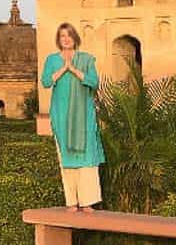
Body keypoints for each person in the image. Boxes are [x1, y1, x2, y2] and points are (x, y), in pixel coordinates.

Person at [40, 22, 104, 212]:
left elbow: (94, 82)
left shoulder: (85, 59)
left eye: (69, 35)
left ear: (75, 38)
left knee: (87, 159)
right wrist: (63, 69)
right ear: (58, 40)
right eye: (62, 36)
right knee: (66, 159)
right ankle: (71, 202)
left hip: (83, 115)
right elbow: (45, 81)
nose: (66, 39)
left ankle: (88, 202)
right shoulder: (52, 60)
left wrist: (74, 70)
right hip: (61, 115)